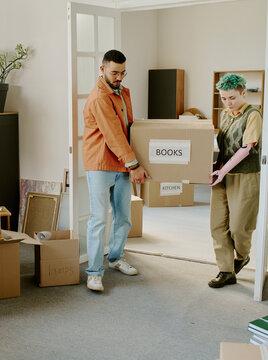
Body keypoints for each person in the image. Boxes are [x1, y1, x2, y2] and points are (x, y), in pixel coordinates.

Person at [82, 49, 150, 292]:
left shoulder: (121, 93)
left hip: (121, 162)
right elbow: (112, 135)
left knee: (123, 216)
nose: (119, 77)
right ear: (102, 70)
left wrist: (133, 160)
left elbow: (127, 129)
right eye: (114, 72)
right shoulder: (100, 97)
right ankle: (93, 272)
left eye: (123, 72)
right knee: (99, 219)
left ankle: (115, 257)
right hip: (100, 163)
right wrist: (134, 164)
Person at [208, 73, 262, 288]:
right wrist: (213, 167)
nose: (228, 103)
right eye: (223, 99)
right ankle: (226, 270)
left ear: (243, 93)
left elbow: (247, 148)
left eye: (232, 98)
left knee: (239, 227)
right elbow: (221, 146)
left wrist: (223, 171)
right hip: (222, 175)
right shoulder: (225, 115)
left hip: (244, 176)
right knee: (217, 225)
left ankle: (242, 256)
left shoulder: (252, 114)